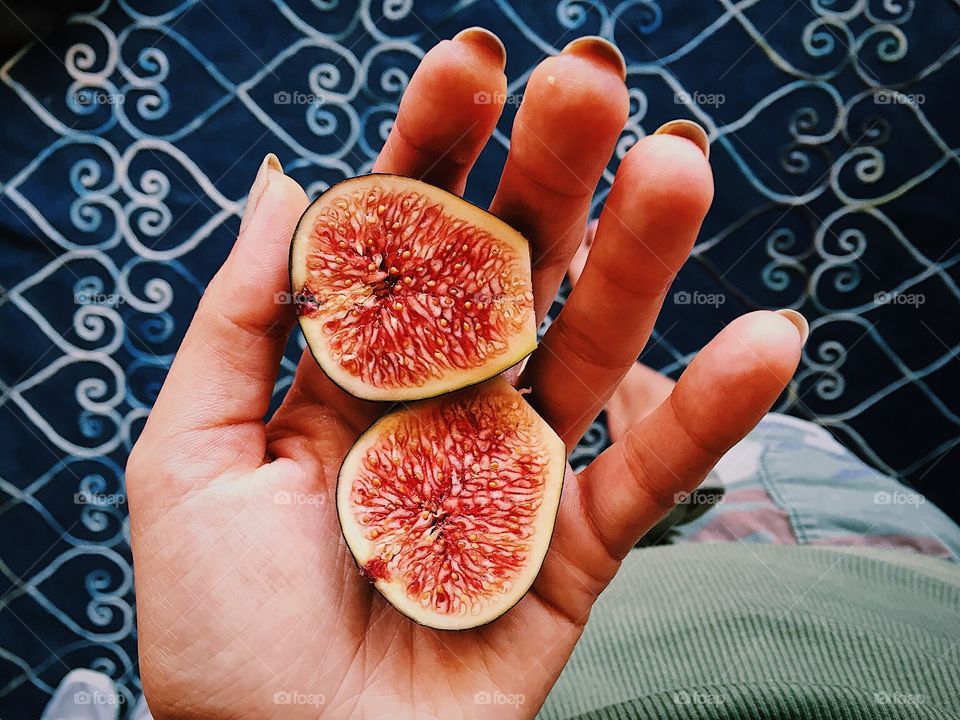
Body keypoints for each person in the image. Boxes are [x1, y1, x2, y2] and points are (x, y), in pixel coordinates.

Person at [58, 29, 953, 720]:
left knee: (709, 466)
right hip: (908, 612)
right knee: (764, 472)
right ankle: (632, 398)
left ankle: (614, 393)